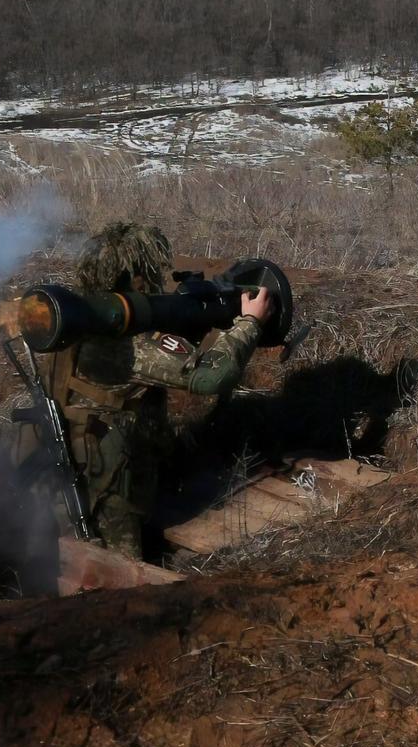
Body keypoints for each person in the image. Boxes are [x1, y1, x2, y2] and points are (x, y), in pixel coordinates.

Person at [24, 222, 274, 559]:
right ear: (133, 277)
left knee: (55, 555)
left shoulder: (69, 320)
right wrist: (250, 322)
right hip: (105, 482)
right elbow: (213, 376)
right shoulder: (129, 343)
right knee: (118, 574)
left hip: (59, 462)